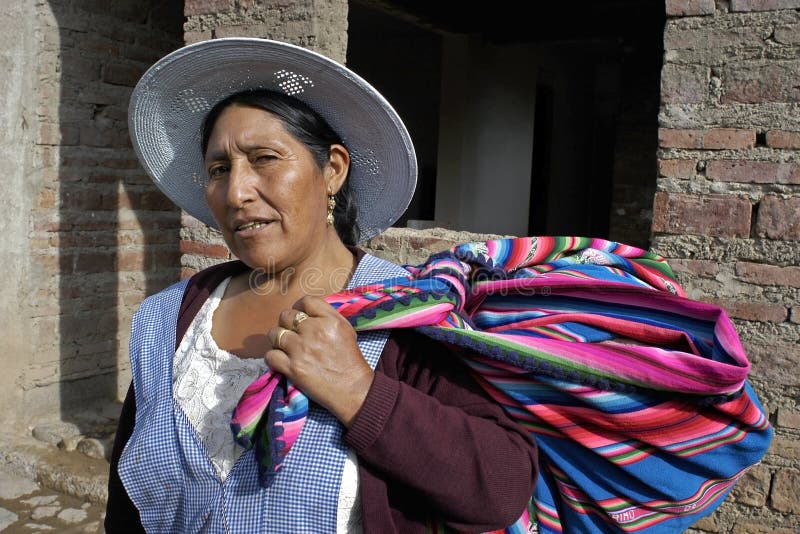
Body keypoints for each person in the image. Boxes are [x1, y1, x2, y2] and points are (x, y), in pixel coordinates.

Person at [105, 37, 538, 533]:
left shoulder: (406, 313)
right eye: (219, 169)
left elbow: (502, 487)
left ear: (332, 169)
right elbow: (126, 504)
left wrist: (359, 392)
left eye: (264, 158)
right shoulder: (167, 321)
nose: (237, 192)